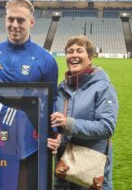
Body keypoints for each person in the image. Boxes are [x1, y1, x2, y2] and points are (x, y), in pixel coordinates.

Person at [0, 0, 60, 152]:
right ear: (5, 20)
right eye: (11, 19)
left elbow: (52, 101)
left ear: (31, 22)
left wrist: (53, 134)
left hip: (30, 136)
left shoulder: (47, 60)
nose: (14, 25)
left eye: (20, 20)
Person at [51, 35, 118, 190]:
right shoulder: (61, 89)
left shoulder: (103, 87)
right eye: (70, 51)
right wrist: (54, 137)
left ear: (90, 57)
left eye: (79, 51)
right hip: (63, 176)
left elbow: (107, 127)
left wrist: (69, 123)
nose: (73, 55)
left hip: (90, 178)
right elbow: (56, 126)